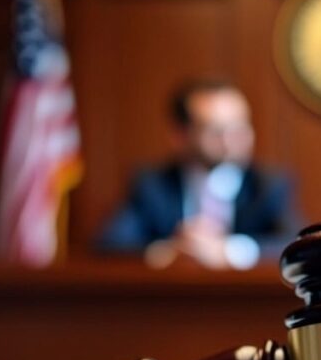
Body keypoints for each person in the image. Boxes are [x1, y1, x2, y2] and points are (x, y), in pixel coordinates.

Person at [98, 79, 300, 268]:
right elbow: (110, 245)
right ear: (180, 136)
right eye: (216, 130)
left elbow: (295, 244)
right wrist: (169, 252)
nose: (232, 139)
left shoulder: (268, 184)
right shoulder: (153, 184)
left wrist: (229, 251)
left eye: (240, 126)